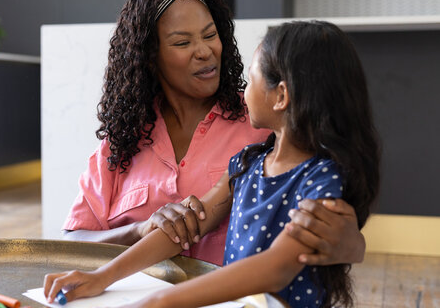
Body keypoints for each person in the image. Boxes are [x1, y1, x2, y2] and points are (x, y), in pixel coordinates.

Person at [44, 20, 381, 307]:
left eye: (252, 78)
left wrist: (162, 302)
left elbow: (277, 267)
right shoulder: (248, 164)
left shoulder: (320, 178)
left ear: (281, 96)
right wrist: (103, 277)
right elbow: (184, 229)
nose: (243, 90)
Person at [62, 0, 365, 267]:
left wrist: (351, 245)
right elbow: (69, 243)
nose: (205, 52)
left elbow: (339, 230)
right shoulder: (122, 140)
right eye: (182, 43)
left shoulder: (265, 124)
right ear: (149, 58)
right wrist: (138, 230)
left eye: (210, 35)